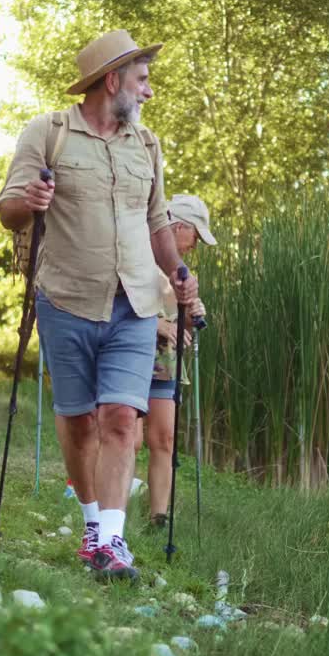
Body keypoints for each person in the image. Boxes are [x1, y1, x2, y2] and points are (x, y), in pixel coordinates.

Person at [0, 30, 198, 580]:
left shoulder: (147, 145)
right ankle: (91, 524)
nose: (149, 92)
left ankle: (111, 542)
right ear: (113, 81)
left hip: (134, 301)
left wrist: (177, 274)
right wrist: (28, 201)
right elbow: (8, 210)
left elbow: (158, 222)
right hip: (65, 298)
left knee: (119, 419)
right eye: (142, 79)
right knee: (79, 421)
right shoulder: (48, 133)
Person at [137, 194, 215, 528]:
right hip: (131, 350)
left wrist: (188, 313)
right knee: (130, 435)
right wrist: (161, 325)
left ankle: (159, 518)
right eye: (195, 236)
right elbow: (113, 307)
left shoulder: (181, 272)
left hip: (165, 361)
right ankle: (107, 513)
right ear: (179, 226)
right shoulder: (137, 252)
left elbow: (179, 325)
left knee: (164, 438)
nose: (194, 246)